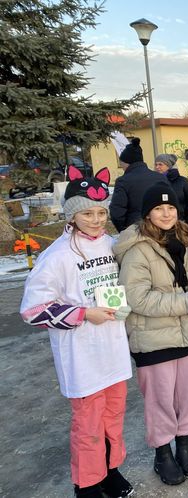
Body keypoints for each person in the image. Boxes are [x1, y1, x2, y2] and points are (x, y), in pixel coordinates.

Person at [20, 166, 134, 498]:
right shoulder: (56, 255)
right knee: (88, 426)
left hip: (113, 352)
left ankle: (111, 471)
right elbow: (33, 310)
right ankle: (86, 483)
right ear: (71, 215)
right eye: (87, 213)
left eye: (101, 212)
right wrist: (83, 314)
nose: (97, 219)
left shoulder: (112, 245)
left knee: (113, 417)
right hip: (81, 359)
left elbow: (122, 286)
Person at [113, 184, 188, 485]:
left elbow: (186, 283)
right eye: (159, 208)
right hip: (152, 339)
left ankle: (184, 447)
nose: (166, 213)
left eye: (170, 208)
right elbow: (137, 298)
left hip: (183, 335)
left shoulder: (178, 239)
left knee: (186, 396)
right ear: (148, 214)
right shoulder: (137, 250)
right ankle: (163, 454)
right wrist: (185, 302)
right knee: (160, 400)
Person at [110, 137, 168, 232]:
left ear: (126, 162)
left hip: (136, 229)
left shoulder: (123, 181)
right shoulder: (160, 177)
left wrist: (124, 231)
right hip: (160, 228)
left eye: (122, 163)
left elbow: (117, 212)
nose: (121, 166)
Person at [154, 153, 188, 221]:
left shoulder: (182, 181)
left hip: (181, 221)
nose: (157, 167)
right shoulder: (154, 182)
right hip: (160, 222)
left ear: (169, 166)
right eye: (156, 164)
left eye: (160, 164)